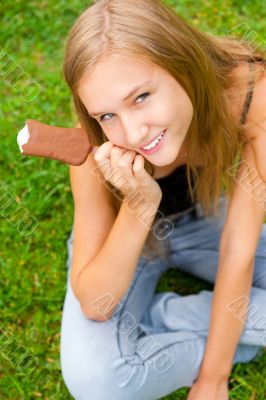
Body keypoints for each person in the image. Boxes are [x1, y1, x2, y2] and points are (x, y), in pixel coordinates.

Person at [59, 0, 266, 399]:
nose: (134, 132)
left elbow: (237, 251)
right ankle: (222, 329)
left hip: (206, 218)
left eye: (140, 97)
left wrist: (213, 378)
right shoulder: (90, 148)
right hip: (130, 241)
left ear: (183, 66)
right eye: (106, 115)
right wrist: (138, 205)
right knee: (98, 383)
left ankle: (160, 318)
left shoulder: (249, 97)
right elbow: (96, 303)